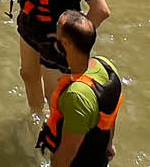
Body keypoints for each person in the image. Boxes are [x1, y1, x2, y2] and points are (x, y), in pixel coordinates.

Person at [36, 11, 123, 165]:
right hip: (100, 156)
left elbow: (64, 157)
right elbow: (110, 114)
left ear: (66, 44)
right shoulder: (106, 65)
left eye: (58, 33)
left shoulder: (76, 97)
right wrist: (109, 144)